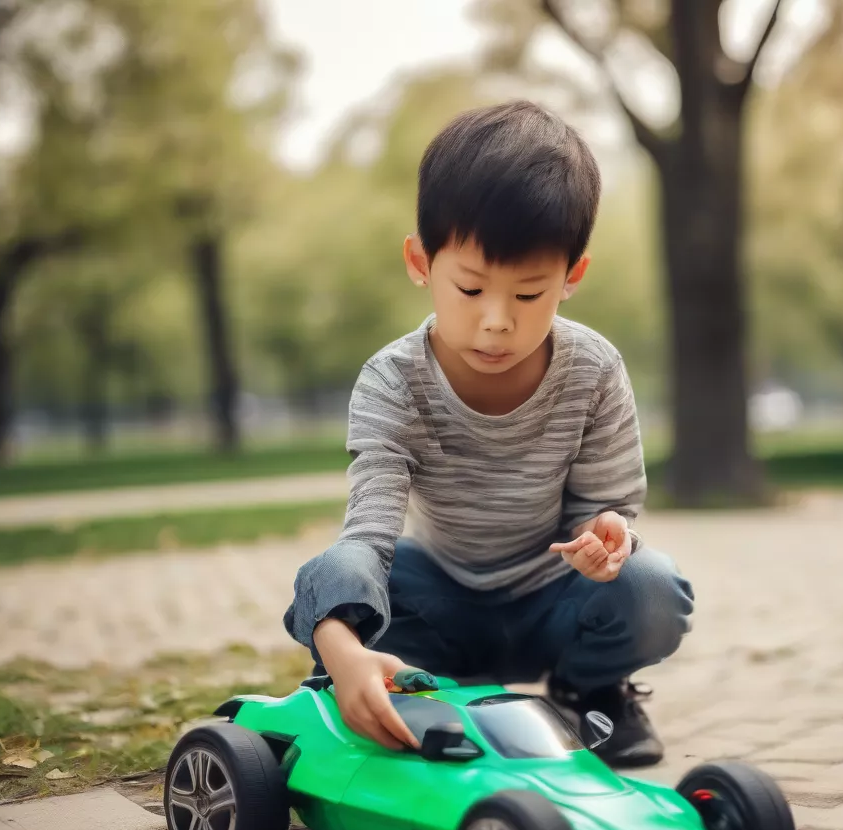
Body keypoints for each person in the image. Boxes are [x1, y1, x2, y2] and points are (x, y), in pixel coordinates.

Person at [283, 100, 694, 767]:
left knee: (651, 585)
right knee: (354, 579)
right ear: (421, 261)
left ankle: (591, 691)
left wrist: (606, 537)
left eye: (529, 295)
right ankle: (402, 686)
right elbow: (368, 539)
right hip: (439, 604)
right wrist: (339, 643)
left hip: (555, 600)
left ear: (572, 277)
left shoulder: (594, 370)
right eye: (470, 289)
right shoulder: (391, 382)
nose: (497, 321)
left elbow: (607, 510)